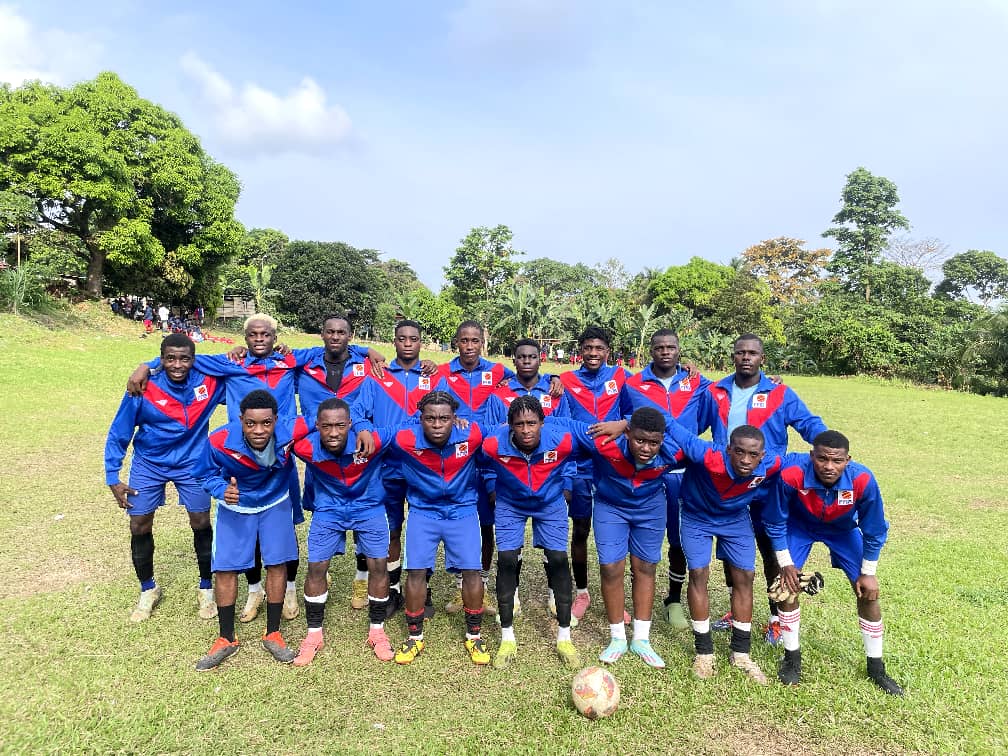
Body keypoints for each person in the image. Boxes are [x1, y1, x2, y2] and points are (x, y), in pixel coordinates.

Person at [703, 334, 827, 644]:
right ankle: (736, 610)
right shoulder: (716, 391)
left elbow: (808, 423)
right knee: (730, 553)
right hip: (728, 487)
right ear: (733, 356)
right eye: (741, 352)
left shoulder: (780, 393)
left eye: (753, 353)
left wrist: (829, 448)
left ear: (762, 358)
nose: (746, 357)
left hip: (768, 487)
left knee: (772, 551)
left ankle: (775, 619)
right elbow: (691, 420)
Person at [765, 430, 903, 695]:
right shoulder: (792, 474)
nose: (829, 467)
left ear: (848, 460)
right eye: (822, 459)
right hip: (799, 526)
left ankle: (876, 668)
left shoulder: (862, 480)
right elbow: (775, 521)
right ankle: (792, 658)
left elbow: (874, 529)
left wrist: (869, 572)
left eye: (837, 461)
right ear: (811, 456)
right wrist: (785, 562)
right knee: (786, 588)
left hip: (842, 530)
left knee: (868, 594)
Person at [104, 333, 227, 622]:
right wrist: (113, 475)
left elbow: (236, 367)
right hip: (150, 463)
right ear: (161, 359)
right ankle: (148, 590)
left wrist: (144, 363)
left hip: (193, 462)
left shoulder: (207, 382)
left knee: (201, 521)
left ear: (194, 360)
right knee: (139, 523)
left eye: (185, 358)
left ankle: (206, 588)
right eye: (169, 358)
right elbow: (119, 432)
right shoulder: (142, 387)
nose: (177, 365)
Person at [555, 408, 683, 669]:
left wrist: (626, 420)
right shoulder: (604, 439)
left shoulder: (676, 450)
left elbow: (709, 453)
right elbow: (559, 423)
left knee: (645, 567)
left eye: (653, 443)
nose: (646, 448)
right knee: (611, 567)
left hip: (650, 508)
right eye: (639, 440)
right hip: (610, 507)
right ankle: (617, 638)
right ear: (626, 434)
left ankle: (641, 640)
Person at [192, 390, 307, 670]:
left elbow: (327, 417)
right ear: (240, 419)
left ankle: (273, 633)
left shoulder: (290, 429)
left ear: (276, 420)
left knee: (277, 564)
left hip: (276, 502)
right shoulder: (219, 440)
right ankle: (226, 638)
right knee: (225, 569)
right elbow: (203, 473)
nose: (259, 430)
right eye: (251, 423)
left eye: (266, 423)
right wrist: (221, 490)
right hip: (236, 506)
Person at [663, 418, 783, 684]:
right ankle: (704, 653)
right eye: (739, 451)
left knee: (745, 577)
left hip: (735, 518)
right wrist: (625, 423)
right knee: (698, 573)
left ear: (762, 456)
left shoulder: (771, 464)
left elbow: (806, 462)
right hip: (696, 516)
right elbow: (672, 425)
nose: (745, 459)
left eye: (753, 454)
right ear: (728, 449)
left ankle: (740, 653)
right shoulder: (706, 454)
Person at [289, 398, 396, 665]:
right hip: (329, 509)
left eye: (340, 425)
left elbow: (407, 426)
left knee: (379, 565)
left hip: (368, 506)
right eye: (326, 426)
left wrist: (364, 427)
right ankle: (314, 635)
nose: (334, 433)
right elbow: (281, 431)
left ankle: (377, 631)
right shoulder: (305, 447)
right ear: (317, 426)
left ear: (350, 424)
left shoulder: (371, 441)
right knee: (316, 568)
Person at [388, 392, 491, 665]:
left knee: (472, 570)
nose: (437, 424)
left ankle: (474, 636)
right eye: (430, 418)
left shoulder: (472, 434)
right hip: (424, 512)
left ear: (454, 418)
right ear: (419, 419)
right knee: (416, 571)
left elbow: (506, 432)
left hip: (463, 511)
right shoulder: (405, 438)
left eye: (444, 418)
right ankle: (414, 638)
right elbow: (374, 435)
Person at [479, 395, 580, 669]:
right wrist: (491, 488)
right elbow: (474, 451)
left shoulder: (562, 439)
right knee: (508, 560)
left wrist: (624, 423)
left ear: (542, 423)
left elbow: (594, 437)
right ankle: (507, 637)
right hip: (511, 503)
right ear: (509, 425)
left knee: (559, 560)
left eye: (532, 423)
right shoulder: (493, 442)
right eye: (520, 424)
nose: (526, 430)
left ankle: (564, 637)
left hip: (550, 503)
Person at [621, 328, 711, 631]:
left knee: (678, 540)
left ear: (678, 349)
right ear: (651, 350)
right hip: (646, 472)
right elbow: (621, 420)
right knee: (640, 540)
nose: (665, 352)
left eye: (670, 347)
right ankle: (633, 601)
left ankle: (672, 599)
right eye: (659, 347)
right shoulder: (633, 384)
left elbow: (727, 391)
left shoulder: (696, 382)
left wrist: (771, 380)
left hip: (684, 474)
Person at [484, 339, 572, 618]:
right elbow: (490, 444)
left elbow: (566, 441)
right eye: (520, 356)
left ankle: (553, 595)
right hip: (510, 484)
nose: (526, 361)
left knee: (555, 550)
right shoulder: (499, 396)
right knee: (510, 549)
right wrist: (490, 483)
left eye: (532, 356)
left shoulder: (556, 392)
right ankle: (514, 596)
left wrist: (567, 482)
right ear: (514, 360)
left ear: (540, 358)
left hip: (550, 483)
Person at [556, 325, 632, 622]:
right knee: (580, 530)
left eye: (599, 348)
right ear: (581, 350)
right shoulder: (565, 380)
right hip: (579, 468)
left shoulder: (621, 377)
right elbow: (560, 422)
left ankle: (613, 597)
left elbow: (633, 414)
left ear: (607, 352)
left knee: (611, 534)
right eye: (588, 348)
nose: (593, 353)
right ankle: (583, 592)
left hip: (613, 466)